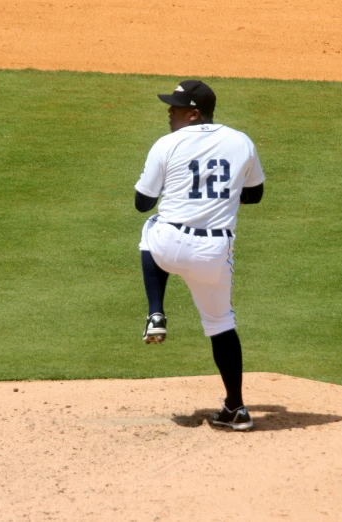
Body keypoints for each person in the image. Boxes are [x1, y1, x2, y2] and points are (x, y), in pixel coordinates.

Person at [133, 80, 265, 431]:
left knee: (150, 228)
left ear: (193, 114)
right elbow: (255, 195)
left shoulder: (167, 144)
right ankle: (235, 409)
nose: (169, 113)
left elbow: (142, 202)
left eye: (174, 109)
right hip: (215, 252)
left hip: (169, 244)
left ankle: (156, 312)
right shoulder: (241, 141)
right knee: (222, 325)